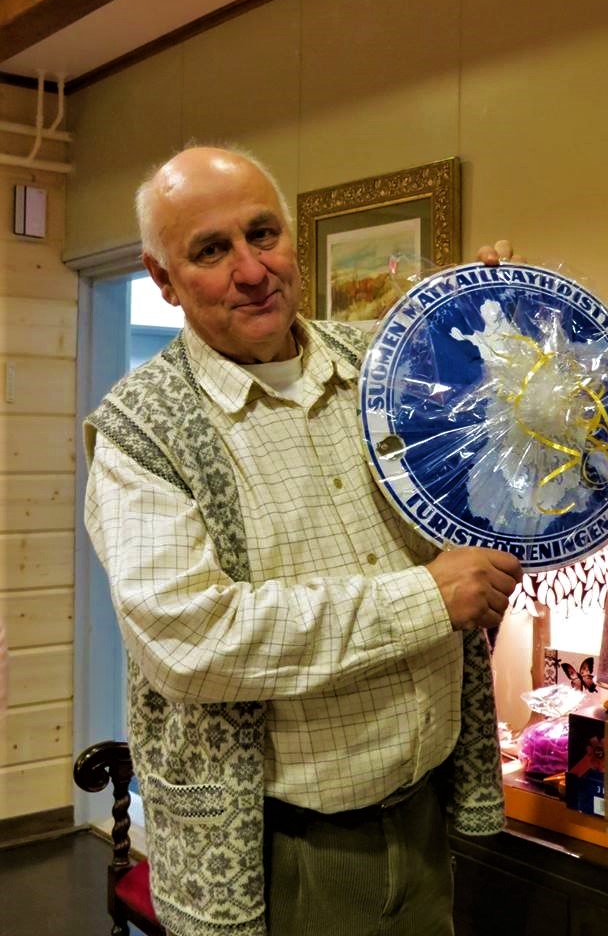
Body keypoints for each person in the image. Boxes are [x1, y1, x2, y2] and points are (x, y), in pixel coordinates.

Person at [84, 145, 522, 936]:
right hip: (281, 851)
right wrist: (425, 599)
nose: (253, 271)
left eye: (263, 234)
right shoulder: (141, 431)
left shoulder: (386, 369)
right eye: (211, 251)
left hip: (426, 817)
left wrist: (498, 333)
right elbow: (192, 641)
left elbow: (493, 474)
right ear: (162, 278)